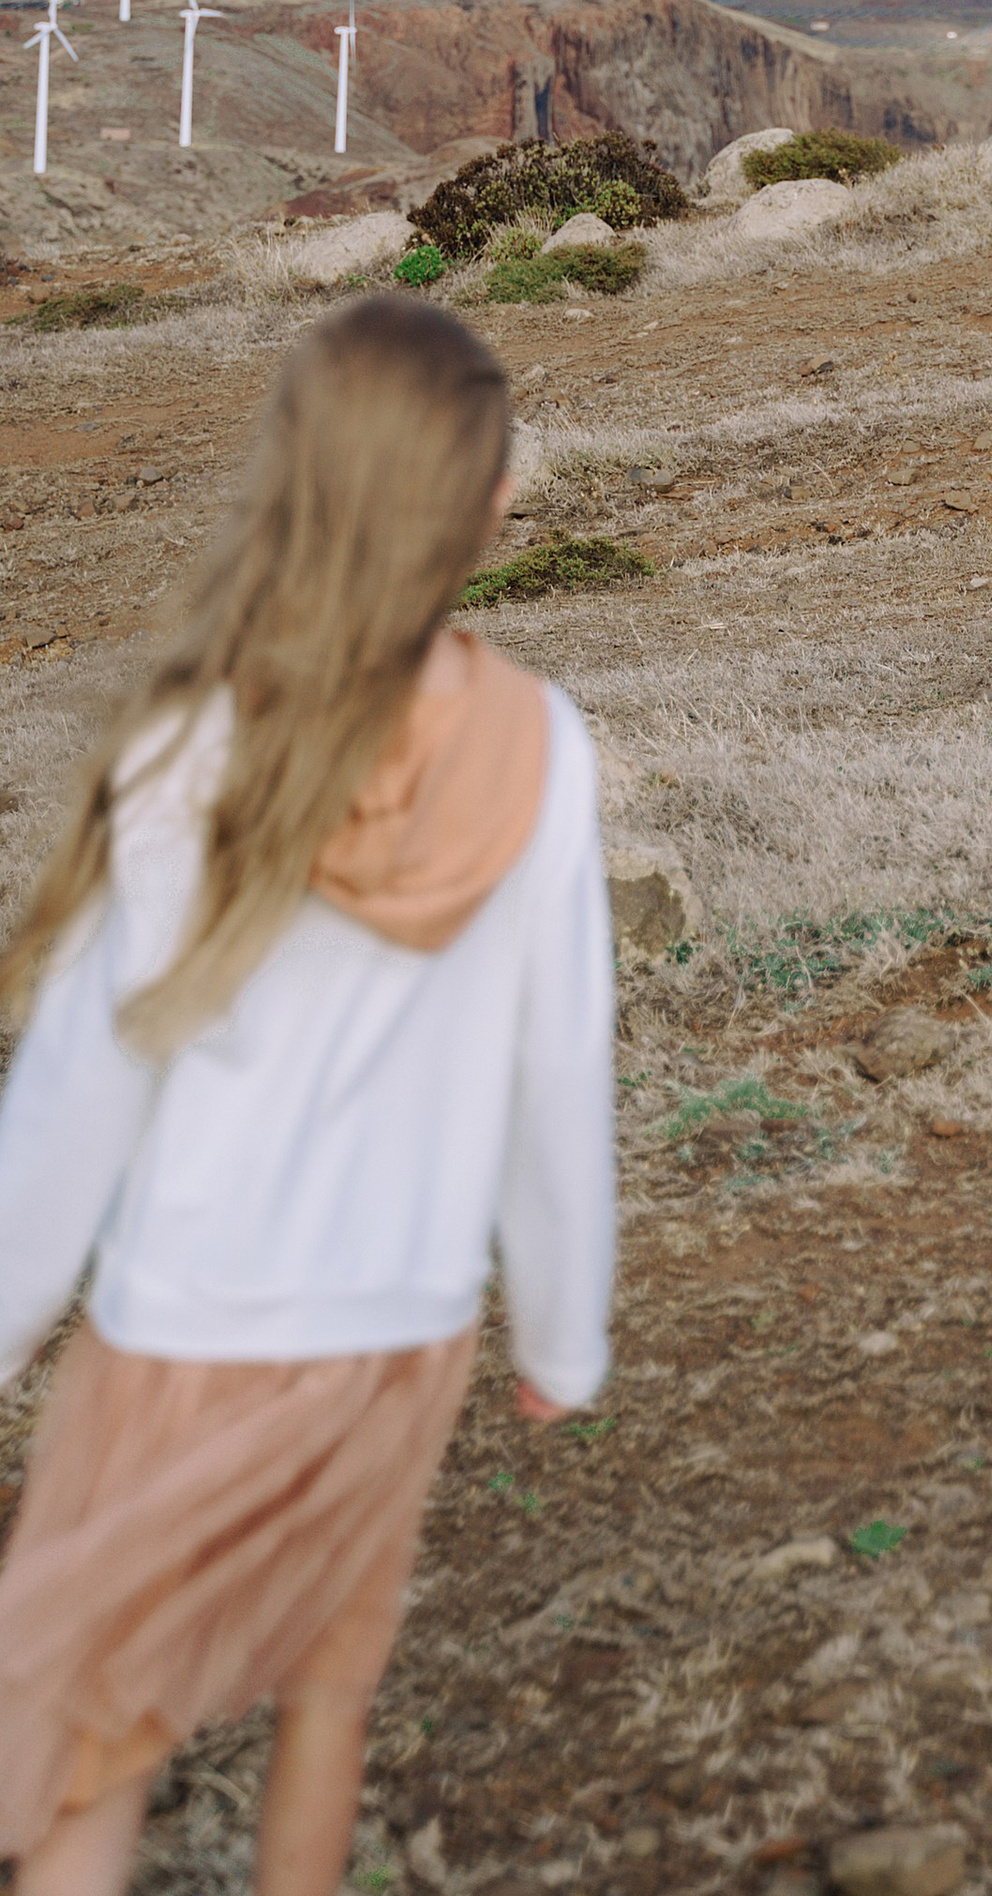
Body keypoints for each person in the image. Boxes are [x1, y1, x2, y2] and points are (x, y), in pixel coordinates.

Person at [0, 296, 615, 1896]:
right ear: (486, 508)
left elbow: (77, 1096)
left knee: (86, 1744)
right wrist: (562, 1332)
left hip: (180, 1333)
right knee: (327, 1693)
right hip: (393, 1330)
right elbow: (563, 1073)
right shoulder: (544, 748)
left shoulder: (188, 751)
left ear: (291, 479)